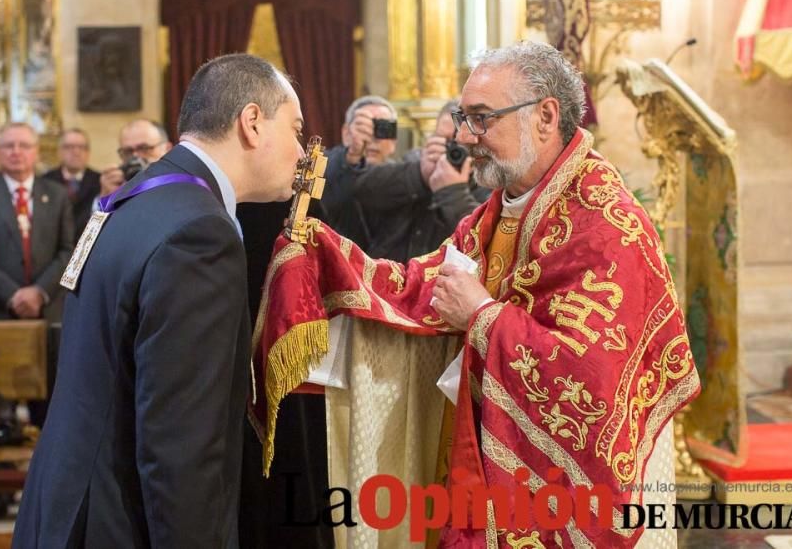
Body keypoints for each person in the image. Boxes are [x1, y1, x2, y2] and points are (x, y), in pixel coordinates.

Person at [251, 42, 700, 547]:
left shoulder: (605, 225)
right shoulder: (501, 208)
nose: (466, 136)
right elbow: (424, 286)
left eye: (482, 119)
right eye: (465, 118)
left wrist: (483, 317)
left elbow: (594, 380)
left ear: (545, 117)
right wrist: (329, 259)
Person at [13, 53, 306, 548]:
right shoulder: (202, 234)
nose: (301, 152)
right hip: (117, 521)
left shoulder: (134, 197)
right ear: (252, 123)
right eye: (296, 129)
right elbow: (182, 444)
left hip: (64, 505)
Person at [342, 100, 491, 261]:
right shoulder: (417, 161)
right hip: (392, 274)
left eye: (458, 142)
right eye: (445, 140)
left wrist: (452, 191)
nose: (453, 149)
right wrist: (420, 175)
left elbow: (485, 240)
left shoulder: (489, 180)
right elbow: (361, 190)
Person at [0, 123, 74, 324]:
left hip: (49, 311)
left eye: (24, 145)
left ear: (37, 152)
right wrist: (11, 294)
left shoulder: (57, 194)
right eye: (8, 146)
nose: (16, 152)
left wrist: (39, 292)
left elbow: (69, 251)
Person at [317, 95, 399, 249]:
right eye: (363, 128)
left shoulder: (402, 180)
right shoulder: (323, 166)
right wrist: (353, 156)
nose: (372, 139)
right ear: (346, 133)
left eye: (381, 128)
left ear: (394, 140)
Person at [97, 118, 173, 200]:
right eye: (128, 151)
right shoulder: (118, 185)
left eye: (144, 148)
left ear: (167, 149)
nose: (136, 156)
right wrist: (107, 199)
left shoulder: (183, 182)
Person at [43, 128, 100, 233]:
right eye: (69, 147)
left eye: (81, 147)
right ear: (59, 151)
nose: (76, 152)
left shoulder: (99, 181)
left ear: (88, 152)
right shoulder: (45, 181)